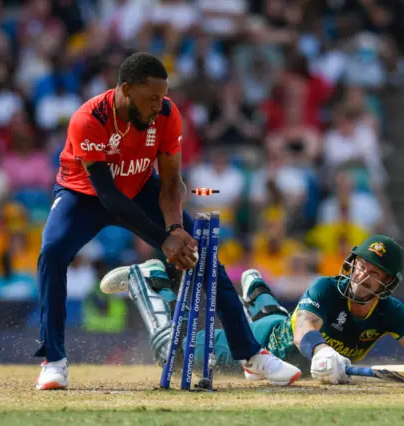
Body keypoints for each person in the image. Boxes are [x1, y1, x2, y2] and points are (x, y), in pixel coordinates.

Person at [34, 52, 301, 390]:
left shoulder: (166, 113)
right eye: (150, 99)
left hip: (144, 188)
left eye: (162, 97)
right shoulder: (89, 119)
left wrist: (176, 230)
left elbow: (172, 182)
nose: (157, 106)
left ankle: (251, 355)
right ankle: (54, 360)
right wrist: (163, 240)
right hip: (85, 195)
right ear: (126, 89)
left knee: (203, 256)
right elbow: (110, 198)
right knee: (52, 252)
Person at [103, 235, 404, 385]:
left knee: (273, 317)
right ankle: (150, 279)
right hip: (259, 345)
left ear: (388, 283)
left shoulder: (391, 310)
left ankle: (257, 293)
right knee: (171, 350)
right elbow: (304, 327)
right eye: (362, 263)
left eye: (375, 271)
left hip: (277, 328)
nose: (364, 272)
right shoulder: (324, 288)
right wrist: (320, 350)